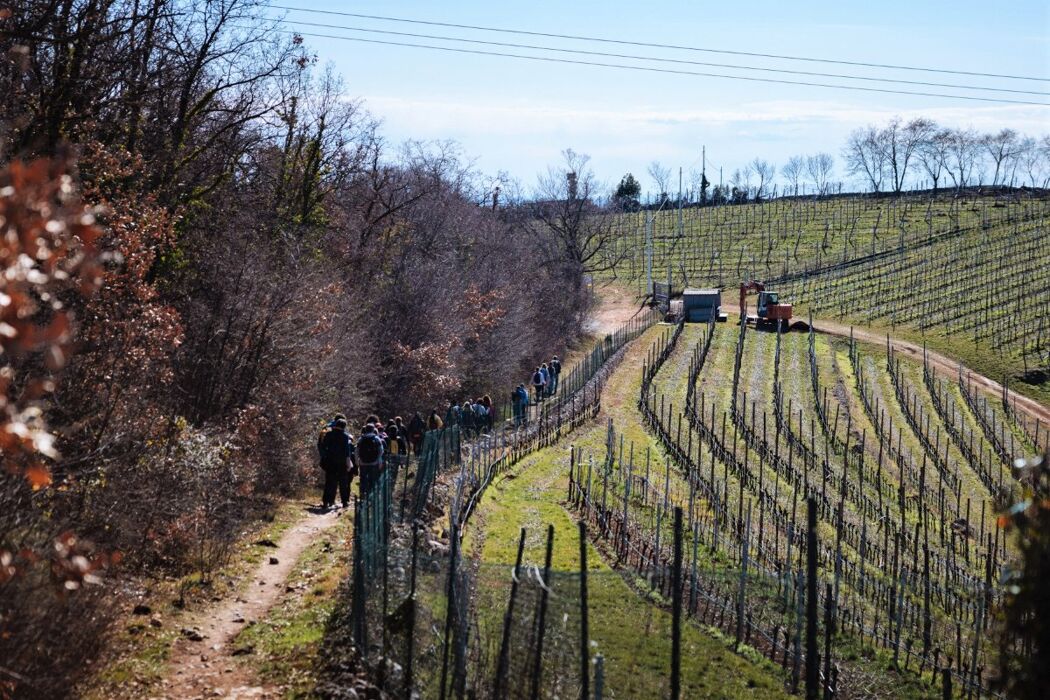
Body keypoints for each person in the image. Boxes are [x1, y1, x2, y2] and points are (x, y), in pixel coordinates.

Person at [318, 418, 353, 509]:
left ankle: (326, 501)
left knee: (329, 482)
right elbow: (347, 452)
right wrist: (348, 463)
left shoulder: (328, 434)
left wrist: (325, 457)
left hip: (330, 461)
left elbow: (324, 446)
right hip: (341, 463)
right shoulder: (345, 436)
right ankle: (344, 502)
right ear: (344, 426)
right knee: (343, 483)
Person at [356, 423, 385, 496]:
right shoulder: (377, 438)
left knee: (363, 479)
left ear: (365, 430)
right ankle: (372, 495)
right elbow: (381, 451)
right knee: (373, 479)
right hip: (374, 463)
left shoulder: (361, 439)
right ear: (373, 430)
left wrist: (357, 461)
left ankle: (362, 494)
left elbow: (356, 451)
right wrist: (379, 461)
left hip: (363, 463)